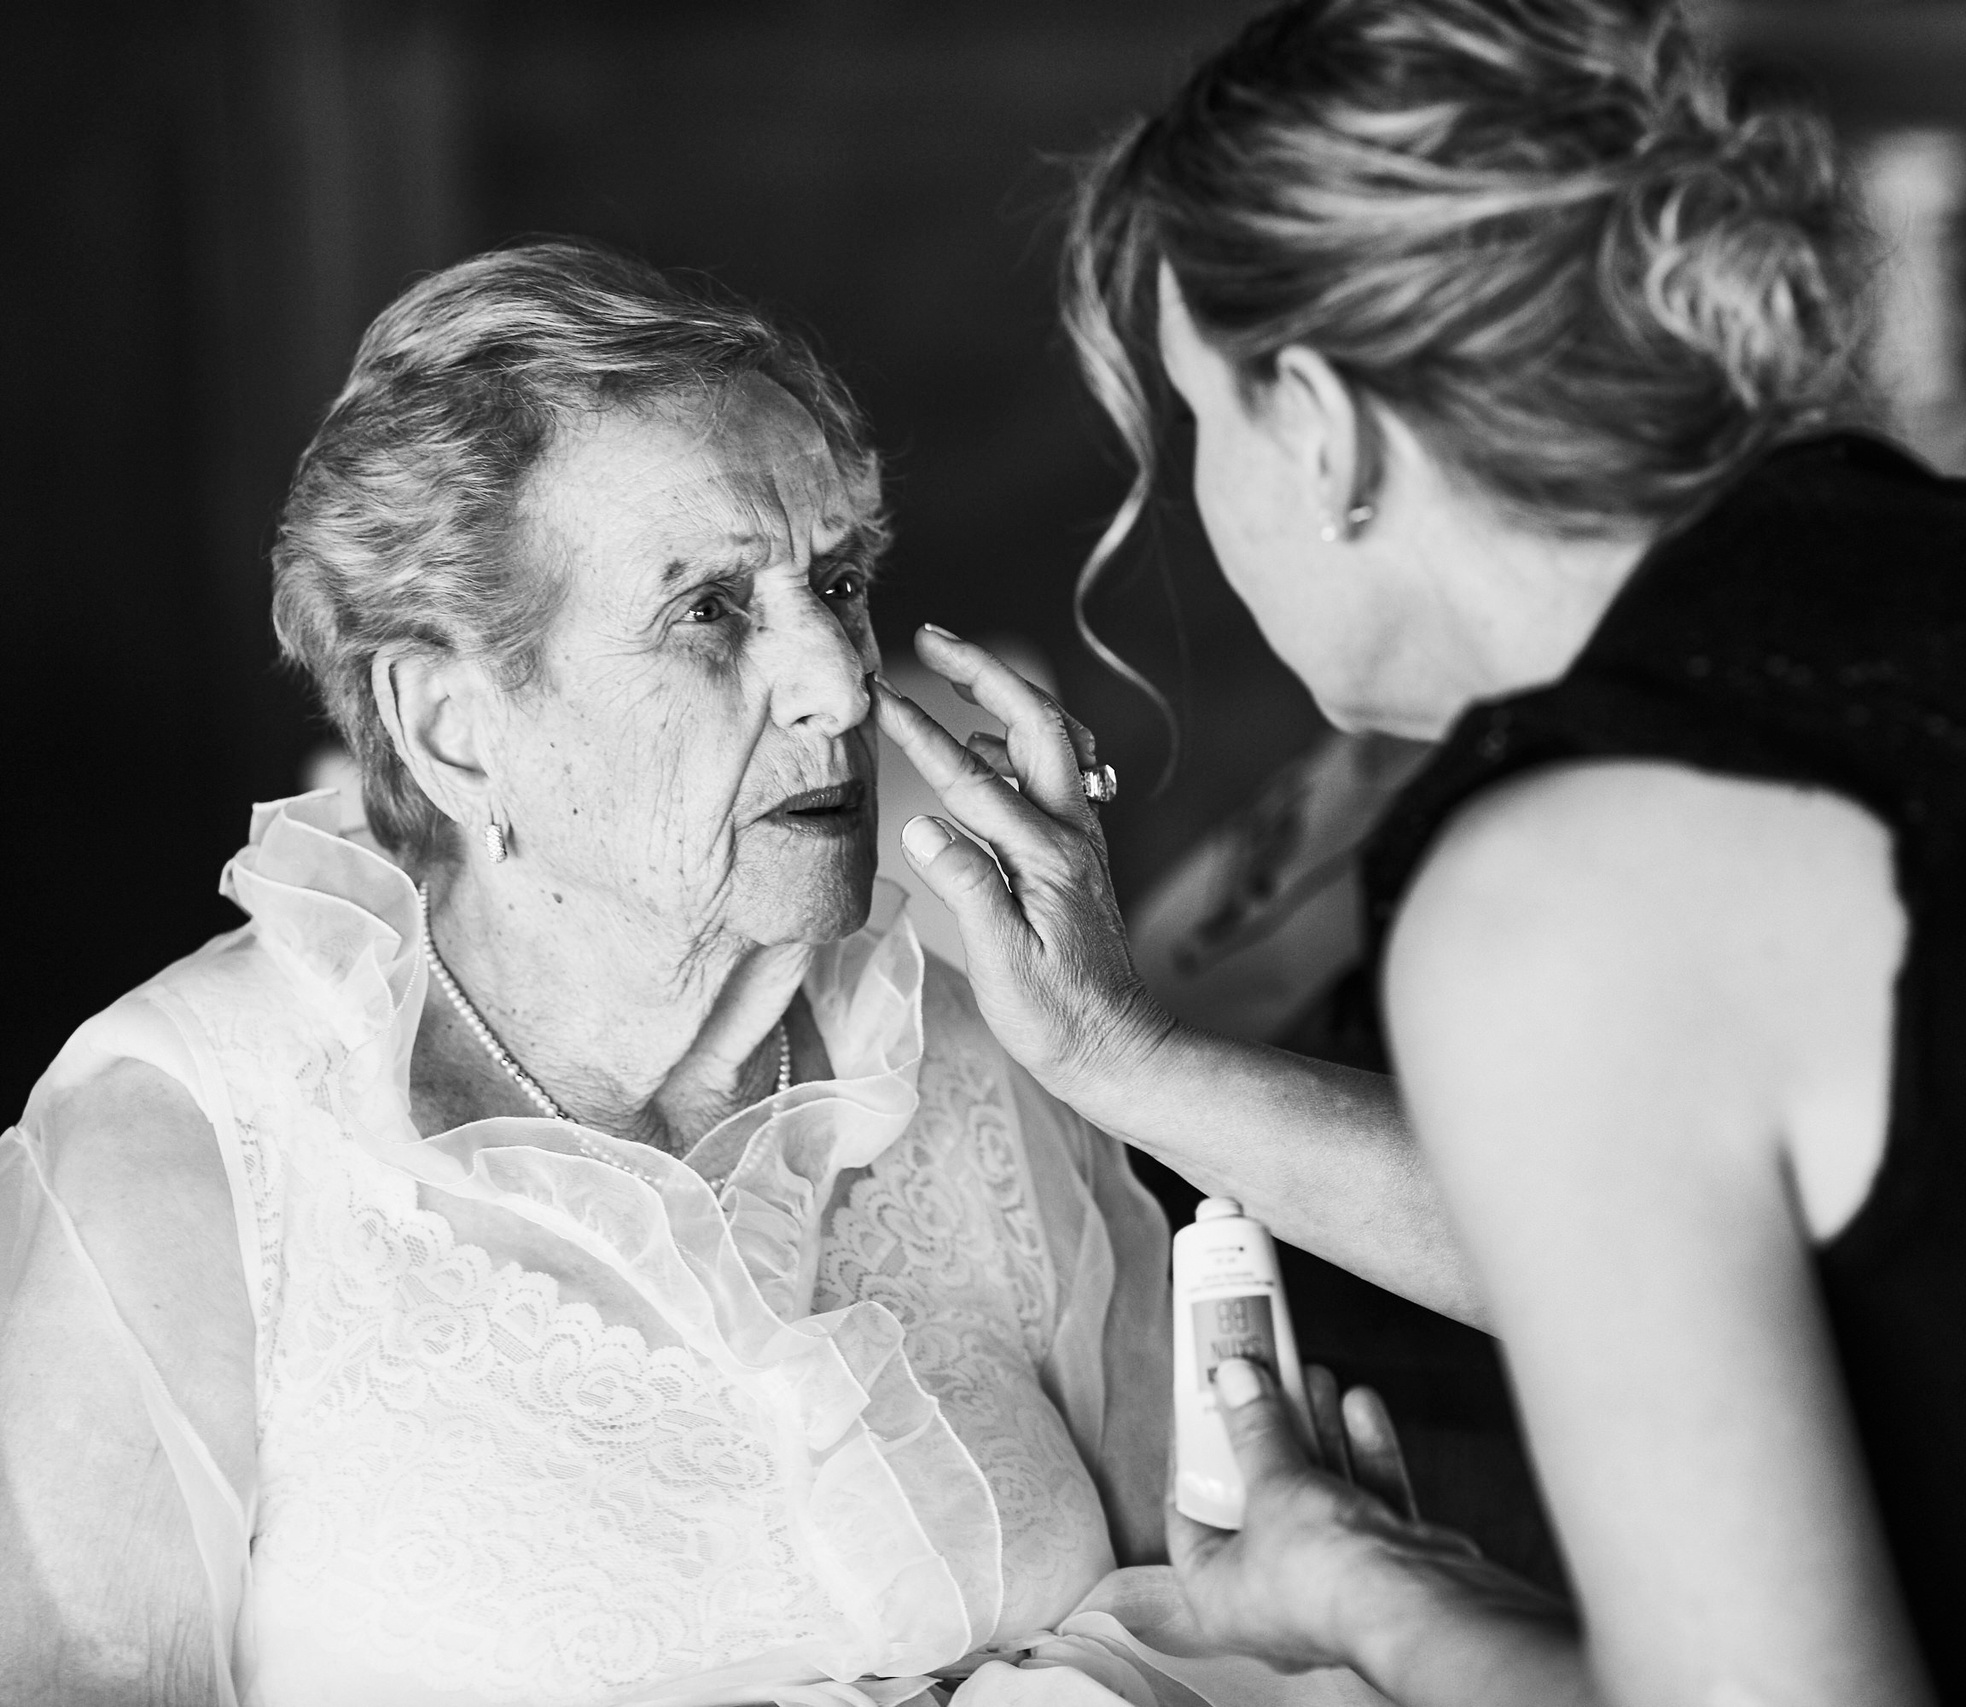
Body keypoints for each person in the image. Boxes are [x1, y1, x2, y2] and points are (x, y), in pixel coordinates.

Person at [867, 1, 1966, 1703]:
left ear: (1323, 428)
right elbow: (1805, 1197)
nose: (1199, 493)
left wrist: (1380, 1607)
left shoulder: (1570, 887)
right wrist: (1115, 1052)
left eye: (1197, 418)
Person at [0, 241, 1391, 1707]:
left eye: (840, 581)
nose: (844, 685)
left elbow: (1230, 1612)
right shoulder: (183, 1154)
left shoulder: (962, 1052)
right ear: (455, 727)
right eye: (709, 611)